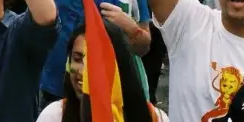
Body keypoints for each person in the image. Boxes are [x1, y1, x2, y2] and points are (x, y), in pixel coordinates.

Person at [34, 21, 166, 122]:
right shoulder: (54, 116)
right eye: (77, 59)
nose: (83, 72)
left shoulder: (155, 118)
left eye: (95, 61)